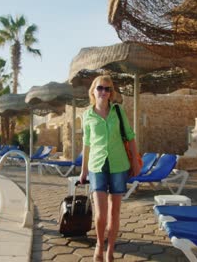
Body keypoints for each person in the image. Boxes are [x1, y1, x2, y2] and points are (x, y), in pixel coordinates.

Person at [79, 75, 140, 262]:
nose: (104, 92)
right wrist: (83, 170)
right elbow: (87, 144)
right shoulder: (87, 115)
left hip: (119, 164)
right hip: (97, 166)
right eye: (100, 88)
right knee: (100, 213)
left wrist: (136, 162)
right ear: (93, 91)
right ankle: (99, 243)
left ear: (111, 93)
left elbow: (130, 136)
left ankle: (110, 250)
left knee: (115, 211)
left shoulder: (118, 111)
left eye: (107, 89)